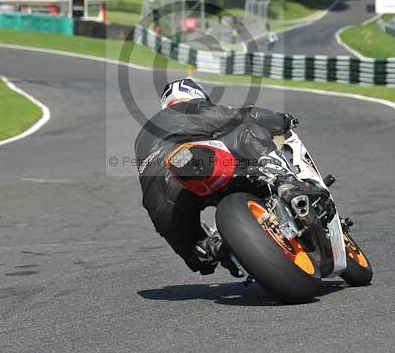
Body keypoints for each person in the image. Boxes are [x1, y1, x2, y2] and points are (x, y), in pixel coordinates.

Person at [134, 78, 315, 276]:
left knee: (199, 253)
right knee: (245, 129)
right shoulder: (187, 109)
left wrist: (195, 256)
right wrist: (282, 120)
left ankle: (217, 248)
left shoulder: (142, 136)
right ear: (194, 94)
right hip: (196, 163)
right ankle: (284, 181)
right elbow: (244, 116)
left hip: (158, 203)